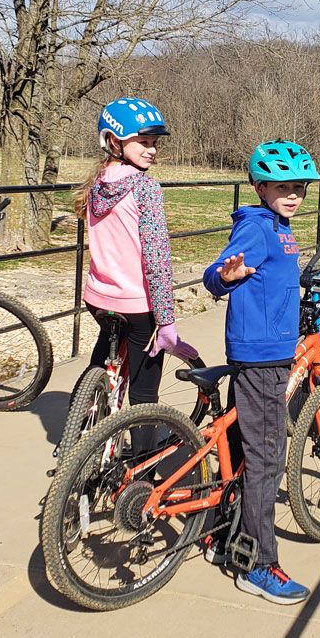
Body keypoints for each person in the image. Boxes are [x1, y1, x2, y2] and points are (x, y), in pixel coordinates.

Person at [202, 140, 319, 605]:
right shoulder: (256, 227)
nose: (292, 194)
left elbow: (278, 276)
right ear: (259, 186)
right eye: (281, 187)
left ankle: (219, 536)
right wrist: (223, 278)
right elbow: (218, 271)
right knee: (269, 456)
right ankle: (257, 564)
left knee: (243, 448)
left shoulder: (281, 226)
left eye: (299, 187)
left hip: (269, 348)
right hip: (261, 357)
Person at [77, 97, 198, 414]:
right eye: (143, 141)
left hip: (99, 297)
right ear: (114, 141)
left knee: (102, 361)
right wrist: (167, 322)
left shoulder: (97, 182)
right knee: (144, 396)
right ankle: (145, 463)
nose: (152, 149)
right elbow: (157, 259)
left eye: (154, 142)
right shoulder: (145, 187)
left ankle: (82, 425)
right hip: (136, 303)